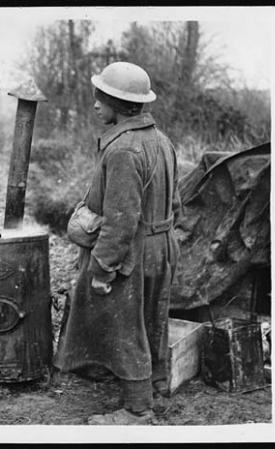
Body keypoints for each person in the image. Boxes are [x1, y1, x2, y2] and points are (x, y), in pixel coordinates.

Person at [54, 61, 181, 425]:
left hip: (134, 251)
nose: (95, 104)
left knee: (126, 325)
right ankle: (155, 383)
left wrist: (103, 268)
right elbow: (177, 204)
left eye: (102, 97)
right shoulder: (163, 140)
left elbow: (121, 221)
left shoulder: (123, 150)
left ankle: (138, 409)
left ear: (121, 105)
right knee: (151, 317)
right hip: (162, 244)